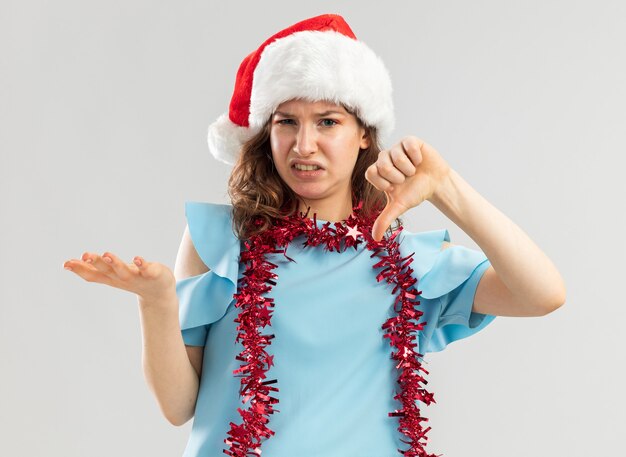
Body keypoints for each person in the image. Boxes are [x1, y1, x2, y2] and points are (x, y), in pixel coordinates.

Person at [63, 13, 566, 457]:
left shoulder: (407, 261)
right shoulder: (219, 239)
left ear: (364, 132)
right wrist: (157, 303)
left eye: (328, 121)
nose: (304, 146)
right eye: (287, 122)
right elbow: (178, 408)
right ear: (268, 132)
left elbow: (543, 293)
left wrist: (446, 187)